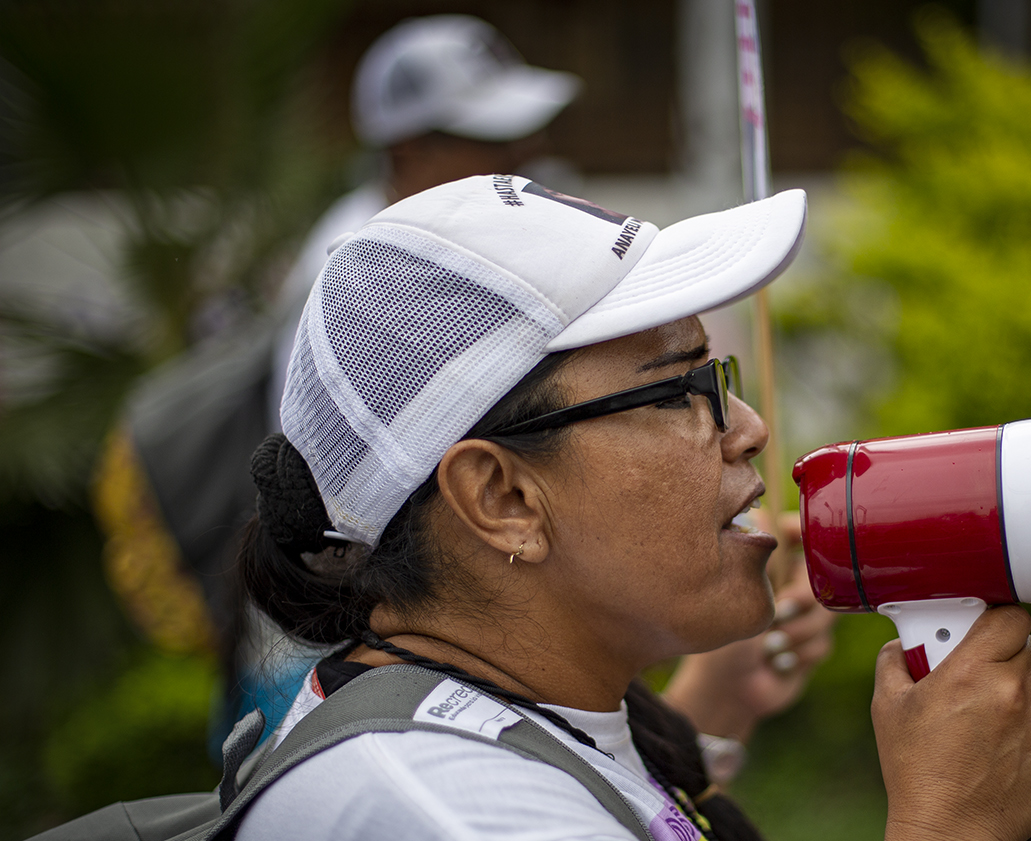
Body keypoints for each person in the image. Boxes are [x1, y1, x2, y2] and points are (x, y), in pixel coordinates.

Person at [216, 174, 1031, 841]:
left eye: (717, 380)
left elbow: (611, 817)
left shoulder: (473, 723)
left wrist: (706, 713)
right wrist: (949, 834)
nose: (747, 430)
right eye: (677, 393)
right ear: (504, 498)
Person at [96, 14, 833, 761]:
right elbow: (369, 495)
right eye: (491, 141)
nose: (525, 158)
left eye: (528, 135)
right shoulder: (365, 279)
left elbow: (634, 834)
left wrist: (709, 713)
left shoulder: (507, 227)